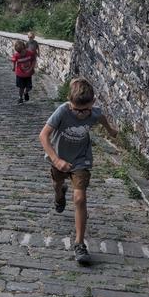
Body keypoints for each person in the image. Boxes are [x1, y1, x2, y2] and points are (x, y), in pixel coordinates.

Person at [39, 77, 117, 266]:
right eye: (76, 110)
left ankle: (79, 244)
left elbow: (101, 118)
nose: (81, 114)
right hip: (59, 158)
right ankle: (59, 194)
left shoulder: (94, 112)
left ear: (93, 102)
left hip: (81, 160)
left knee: (80, 198)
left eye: (85, 110)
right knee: (57, 184)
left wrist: (111, 130)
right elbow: (43, 135)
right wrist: (56, 160)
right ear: (69, 102)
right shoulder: (62, 111)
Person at [11, 40, 36, 104]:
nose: (21, 54)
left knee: (29, 87)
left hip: (28, 73)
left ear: (25, 48)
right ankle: (20, 97)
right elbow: (14, 61)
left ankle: (26, 92)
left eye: (22, 52)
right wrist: (13, 67)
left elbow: (33, 60)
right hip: (20, 74)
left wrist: (32, 68)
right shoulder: (17, 55)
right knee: (21, 87)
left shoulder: (30, 53)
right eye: (19, 52)